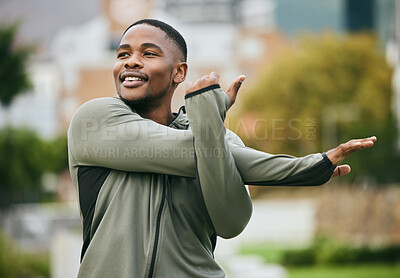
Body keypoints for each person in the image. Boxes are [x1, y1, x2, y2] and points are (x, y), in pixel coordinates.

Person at [67, 19, 376, 278]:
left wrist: (208, 120)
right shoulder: (95, 120)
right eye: (122, 54)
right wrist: (309, 168)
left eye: (148, 53)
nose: (130, 61)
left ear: (179, 72)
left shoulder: (220, 139)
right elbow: (181, 151)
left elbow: (232, 223)